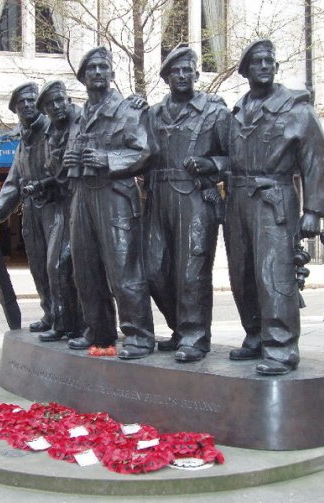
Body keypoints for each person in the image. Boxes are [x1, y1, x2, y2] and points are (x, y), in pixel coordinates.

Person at [226, 40, 324, 375]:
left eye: (269, 61)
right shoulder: (238, 110)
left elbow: (319, 162)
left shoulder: (297, 109)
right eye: (256, 61)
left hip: (274, 199)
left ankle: (282, 347)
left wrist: (313, 212)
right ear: (244, 71)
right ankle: (256, 336)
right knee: (242, 273)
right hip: (238, 198)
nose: (264, 66)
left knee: (274, 274)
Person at [62, 46, 155, 359]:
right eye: (92, 69)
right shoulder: (79, 115)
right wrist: (71, 160)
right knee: (85, 270)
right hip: (82, 196)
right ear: (83, 78)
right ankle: (99, 332)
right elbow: (69, 156)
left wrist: (106, 159)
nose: (98, 73)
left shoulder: (129, 110)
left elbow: (144, 152)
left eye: (103, 68)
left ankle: (139, 336)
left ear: (112, 74)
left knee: (123, 270)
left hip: (114, 195)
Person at [144, 47, 230, 363]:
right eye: (176, 71)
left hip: (194, 198)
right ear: (166, 78)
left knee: (192, 271)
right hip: (157, 197)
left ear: (196, 74)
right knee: (153, 269)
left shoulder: (215, 113)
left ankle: (195, 337)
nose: (182, 75)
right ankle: (180, 328)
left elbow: (236, 158)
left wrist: (211, 164)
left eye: (188, 70)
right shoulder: (152, 114)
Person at [0, 82, 52, 333]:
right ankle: (51, 313)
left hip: (57, 209)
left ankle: (72, 318)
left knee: (59, 266)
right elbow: (13, 182)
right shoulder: (22, 143)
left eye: (33, 100)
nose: (29, 105)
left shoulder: (53, 130)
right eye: (23, 102)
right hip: (32, 213)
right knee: (39, 265)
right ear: (16, 110)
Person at [34, 80, 86, 342]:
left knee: (83, 267)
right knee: (55, 265)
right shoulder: (49, 135)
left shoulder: (84, 118)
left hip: (87, 202)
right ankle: (63, 323)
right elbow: (57, 175)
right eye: (50, 104)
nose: (56, 106)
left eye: (59, 100)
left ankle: (90, 326)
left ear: (67, 99)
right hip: (64, 206)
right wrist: (43, 185)